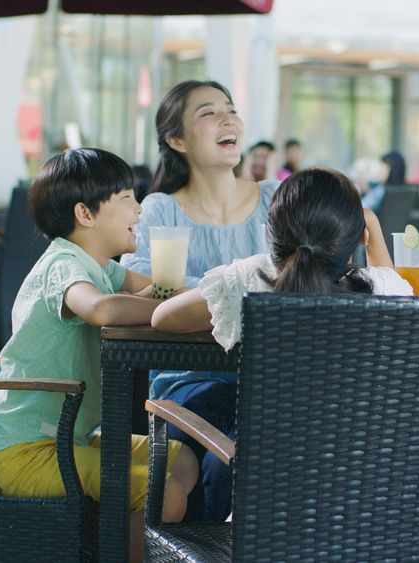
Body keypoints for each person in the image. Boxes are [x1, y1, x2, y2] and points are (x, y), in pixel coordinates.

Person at [0, 148, 198, 560]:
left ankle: (113, 540)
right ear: (85, 214)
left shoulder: (101, 266)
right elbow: (100, 309)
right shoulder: (64, 264)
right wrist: (167, 310)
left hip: (69, 439)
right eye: (127, 199)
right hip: (23, 454)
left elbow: (153, 289)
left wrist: (194, 293)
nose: (139, 208)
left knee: (182, 460)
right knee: (166, 492)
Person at [120, 80, 278, 521]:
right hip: (188, 381)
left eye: (231, 109)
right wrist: (244, 286)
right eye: (209, 113)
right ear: (177, 139)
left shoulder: (273, 201)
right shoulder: (160, 209)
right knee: (223, 464)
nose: (228, 119)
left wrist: (190, 290)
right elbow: (136, 283)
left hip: (271, 378)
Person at [151, 165, 412, 353]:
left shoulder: (248, 278)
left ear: (271, 236)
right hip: (359, 430)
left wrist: (231, 319)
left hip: (259, 429)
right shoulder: (382, 290)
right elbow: (390, 284)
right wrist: (371, 226)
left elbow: (162, 318)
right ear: (360, 238)